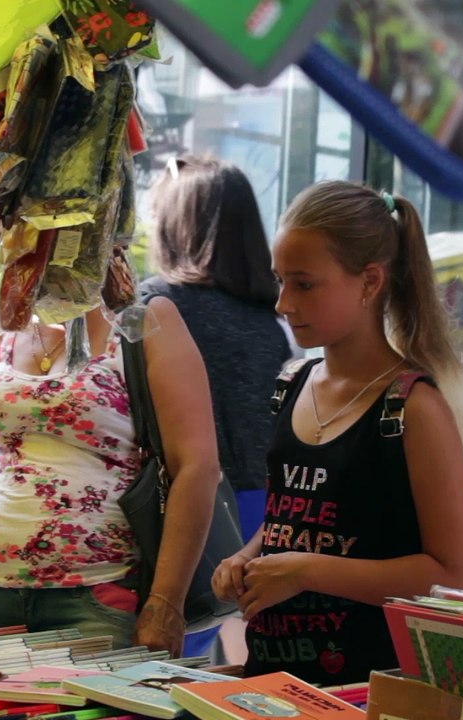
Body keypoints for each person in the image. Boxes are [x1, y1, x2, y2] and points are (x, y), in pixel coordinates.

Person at [212, 181, 463, 685]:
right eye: (279, 281)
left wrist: (306, 571)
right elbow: (304, 519)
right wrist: (250, 557)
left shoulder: (413, 407)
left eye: (304, 284)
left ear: (370, 282)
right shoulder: (292, 382)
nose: (282, 303)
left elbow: (458, 577)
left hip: (370, 687)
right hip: (271, 679)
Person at [0, 302, 219, 656]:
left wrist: (166, 602)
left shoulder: (142, 321)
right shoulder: (4, 325)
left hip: (96, 595)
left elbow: (197, 467)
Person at [139, 155, 294, 660]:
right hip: (257, 512)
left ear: (174, 224)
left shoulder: (151, 308)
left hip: (183, 511)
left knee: (158, 670)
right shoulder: (273, 323)